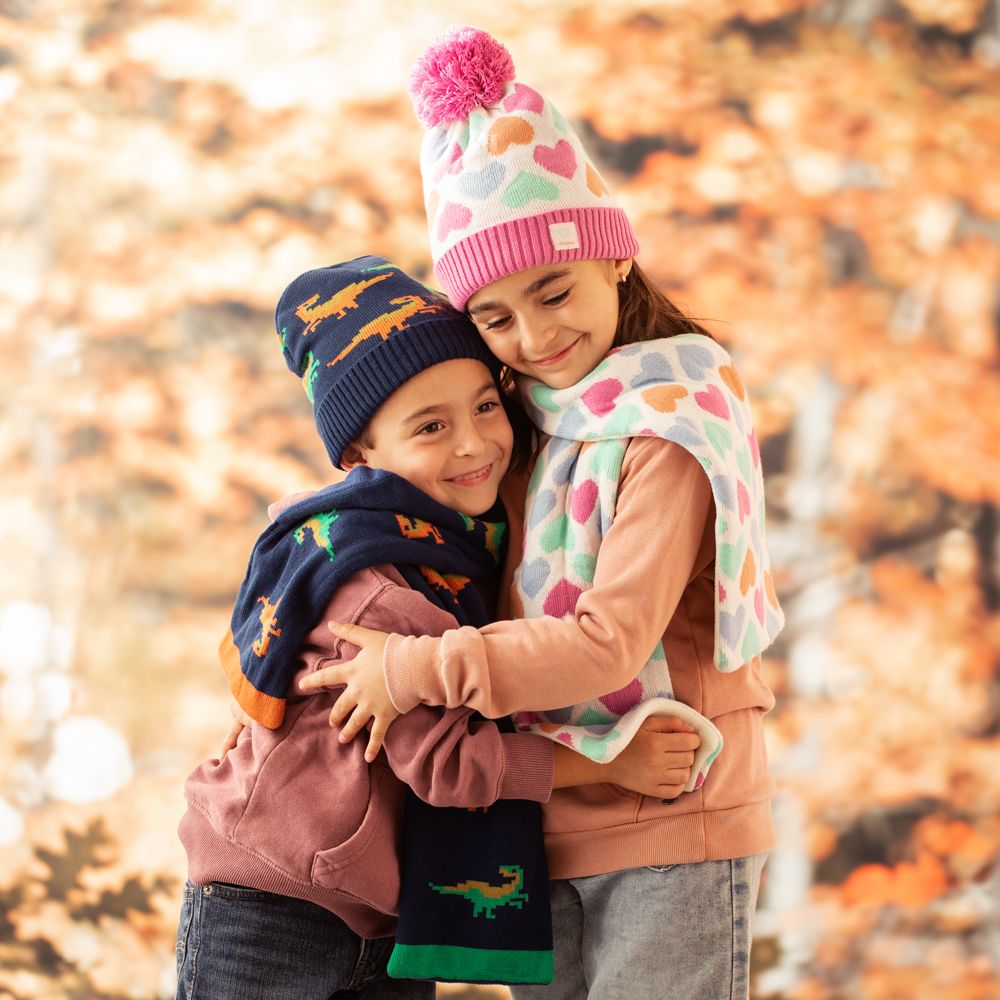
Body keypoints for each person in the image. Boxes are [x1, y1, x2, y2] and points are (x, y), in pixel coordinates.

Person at [299, 28, 785, 1000]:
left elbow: (607, 644)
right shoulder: (516, 425)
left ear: (611, 261)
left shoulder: (667, 426)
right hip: (548, 818)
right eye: (495, 317)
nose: (535, 336)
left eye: (553, 290)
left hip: (670, 816)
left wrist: (413, 672)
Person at [175, 256, 702, 1000]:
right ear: (363, 454)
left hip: (376, 911)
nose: (474, 444)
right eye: (431, 426)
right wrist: (611, 765)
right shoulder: (379, 587)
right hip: (273, 904)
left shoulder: (454, 551)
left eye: (486, 406)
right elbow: (450, 767)